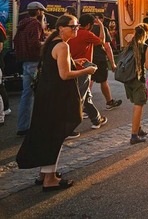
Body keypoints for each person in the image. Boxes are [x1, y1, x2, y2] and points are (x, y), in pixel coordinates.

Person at [16, 14, 97, 191]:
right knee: (55, 135)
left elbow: (55, 65)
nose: (76, 29)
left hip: (46, 95)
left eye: (77, 26)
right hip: (57, 97)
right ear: (61, 28)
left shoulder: (52, 43)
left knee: (47, 133)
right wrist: (87, 71)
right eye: (73, 26)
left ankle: (45, 173)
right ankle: (50, 179)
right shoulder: (62, 45)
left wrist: (74, 62)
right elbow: (64, 74)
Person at [68, 14, 108, 133]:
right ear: (89, 25)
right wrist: (101, 25)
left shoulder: (72, 32)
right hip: (83, 68)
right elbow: (102, 41)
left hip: (71, 66)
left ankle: (96, 119)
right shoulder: (86, 34)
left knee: (86, 96)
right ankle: (69, 128)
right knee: (79, 97)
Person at [14, 1, 47, 136]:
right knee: (41, 95)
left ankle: (22, 127)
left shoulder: (23, 24)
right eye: (42, 11)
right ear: (38, 11)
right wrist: (47, 42)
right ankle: (40, 127)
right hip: (34, 62)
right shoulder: (35, 24)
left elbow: (16, 42)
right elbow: (35, 44)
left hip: (25, 62)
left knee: (26, 95)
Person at [124, 23, 148, 144]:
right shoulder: (146, 47)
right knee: (138, 106)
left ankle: (138, 128)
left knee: (136, 105)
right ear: (146, 34)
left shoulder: (130, 45)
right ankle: (134, 135)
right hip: (138, 80)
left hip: (128, 79)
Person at [90, 13, 122, 110]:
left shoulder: (87, 29)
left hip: (88, 57)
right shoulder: (102, 29)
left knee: (89, 80)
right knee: (103, 81)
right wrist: (112, 63)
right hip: (100, 58)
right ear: (101, 20)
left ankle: (85, 104)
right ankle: (109, 101)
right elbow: (107, 47)